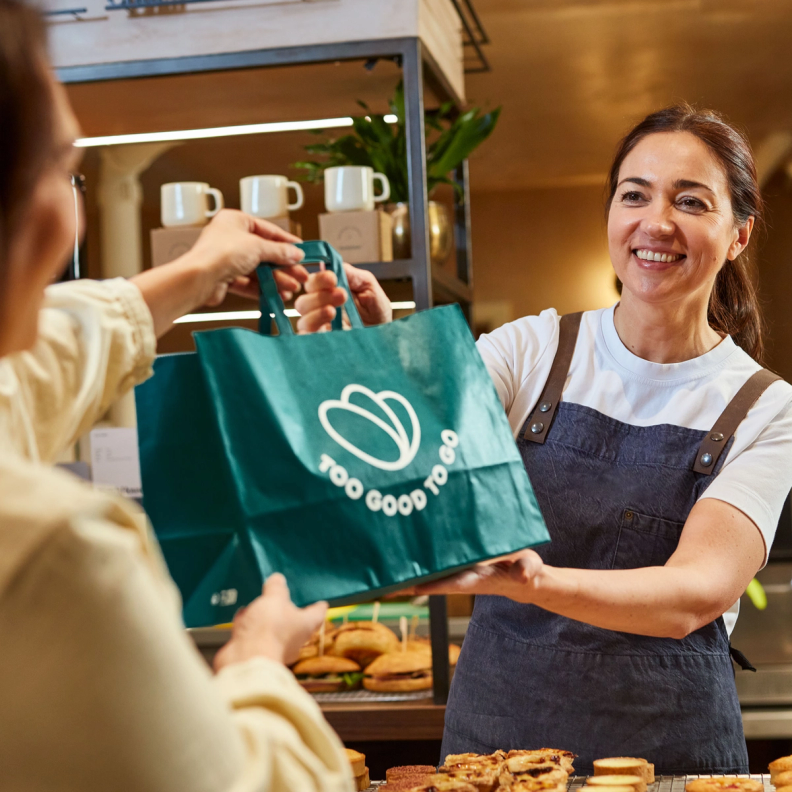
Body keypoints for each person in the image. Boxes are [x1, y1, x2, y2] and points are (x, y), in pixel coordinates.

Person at [297, 105, 792, 774]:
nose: (656, 222)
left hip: (672, 762)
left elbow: (694, 592)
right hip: (495, 754)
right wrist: (365, 352)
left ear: (739, 235)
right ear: (612, 216)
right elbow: (417, 447)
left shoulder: (765, 406)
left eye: (691, 201)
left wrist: (534, 583)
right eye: (634, 195)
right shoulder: (532, 349)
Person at [0, 3, 355, 790]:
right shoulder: (54, 553)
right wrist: (258, 658)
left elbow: (32, 371)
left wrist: (198, 270)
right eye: (61, 169)